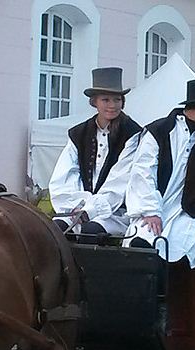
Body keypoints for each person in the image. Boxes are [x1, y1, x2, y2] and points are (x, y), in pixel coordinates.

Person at [122, 78, 195, 267]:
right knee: (143, 246)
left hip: (188, 214)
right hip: (155, 208)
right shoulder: (159, 131)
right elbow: (143, 172)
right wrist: (150, 210)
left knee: (179, 250)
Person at [49, 67, 142, 243]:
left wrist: (91, 209)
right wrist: (75, 207)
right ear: (95, 102)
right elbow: (65, 175)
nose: (112, 105)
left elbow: (121, 180)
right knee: (56, 229)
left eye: (117, 100)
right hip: (80, 207)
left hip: (115, 212)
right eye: (106, 100)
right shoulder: (79, 133)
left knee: (91, 230)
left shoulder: (132, 133)